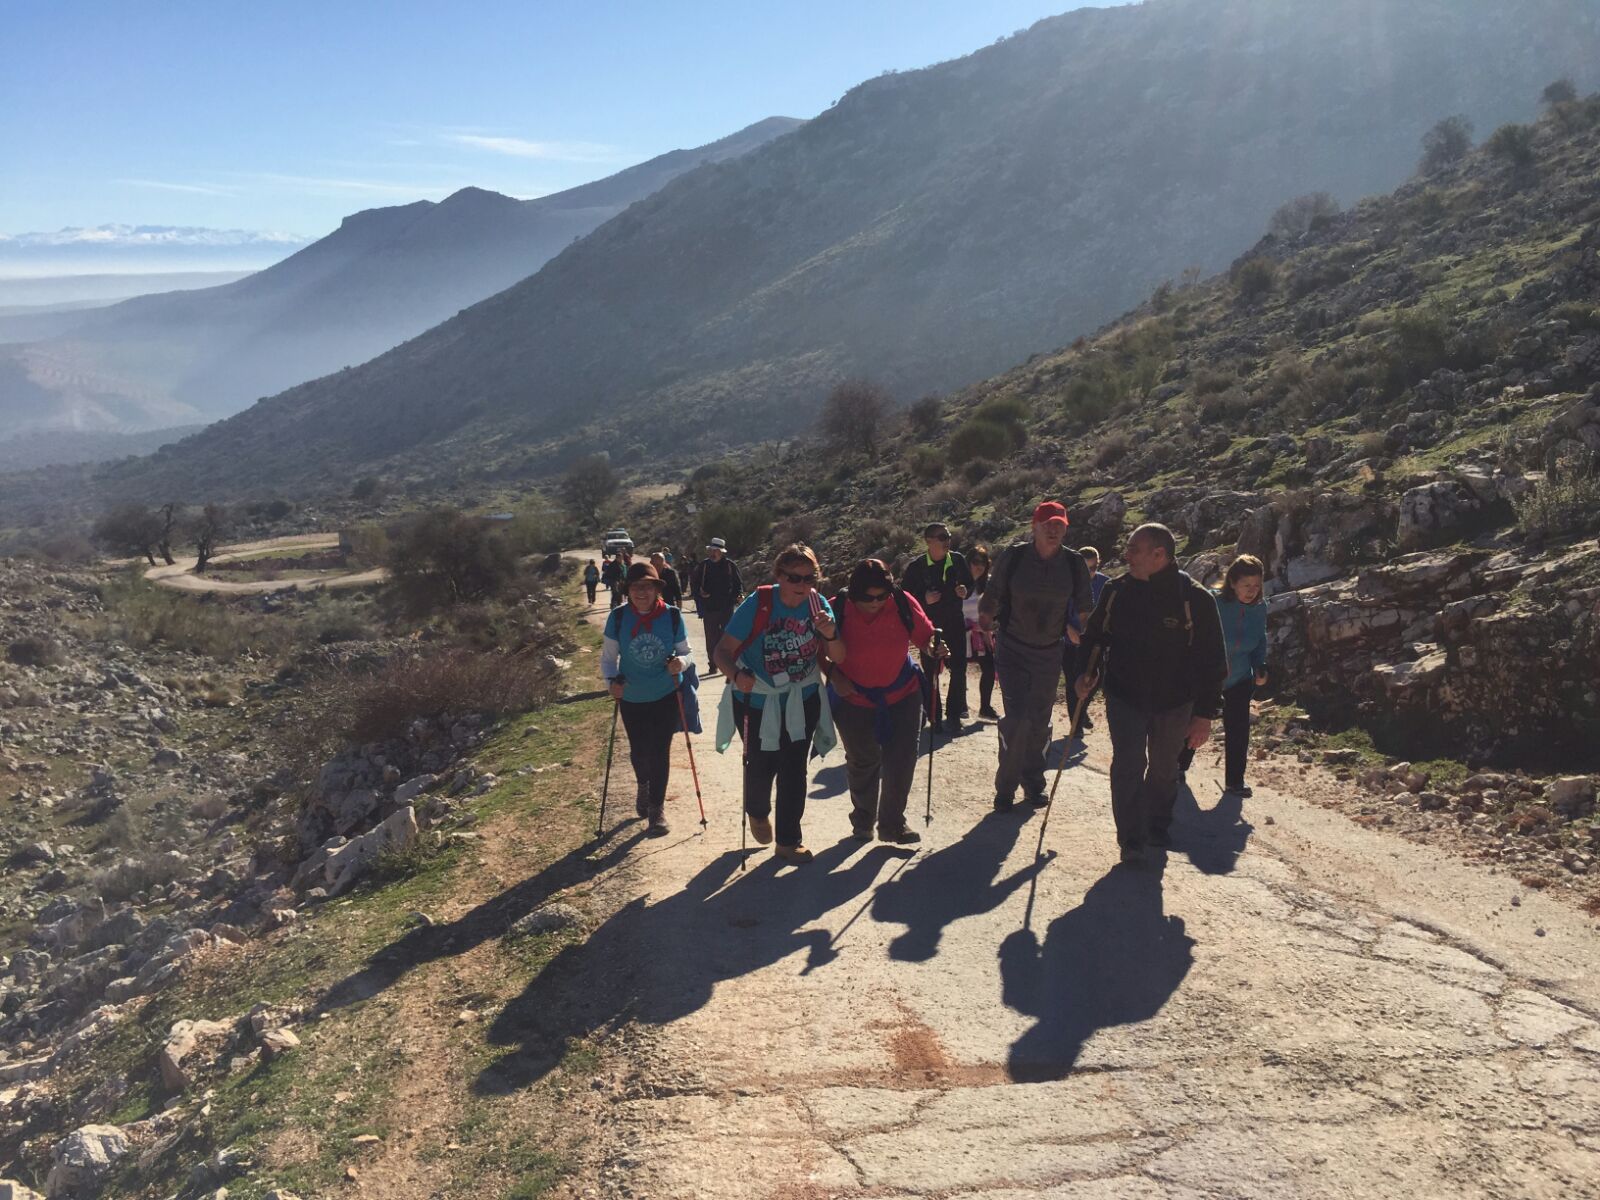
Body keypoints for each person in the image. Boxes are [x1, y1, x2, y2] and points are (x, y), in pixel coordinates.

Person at [1077, 524, 1228, 866]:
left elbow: (1214, 661)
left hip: (1175, 703)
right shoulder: (1117, 591)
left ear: (1159, 555)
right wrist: (1083, 674)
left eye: (1134, 549)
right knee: (1128, 764)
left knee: (1163, 768)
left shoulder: (1194, 599)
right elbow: (1096, 637)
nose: (1126, 555)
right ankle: (1131, 839)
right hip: (1124, 696)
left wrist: (1204, 715)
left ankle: (1156, 823)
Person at [714, 544, 840, 863]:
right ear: (779, 576)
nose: (802, 585)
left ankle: (788, 840)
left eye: (809, 578)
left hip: (802, 699)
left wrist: (830, 633)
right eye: (794, 577)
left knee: (793, 770)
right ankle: (757, 811)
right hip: (755, 701)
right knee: (760, 767)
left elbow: (838, 657)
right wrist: (735, 674)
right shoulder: (761, 603)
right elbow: (722, 651)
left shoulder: (818, 605)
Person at [978, 502, 1093, 812]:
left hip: (1049, 652)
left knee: (1039, 721)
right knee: (1017, 719)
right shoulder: (1014, 557)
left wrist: (1080, 629)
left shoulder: (1073, 564)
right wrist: (985, 620)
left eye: (1059, 524)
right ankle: (1005, 788)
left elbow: (1084, 606)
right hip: (1012, 647)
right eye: (1047, 524)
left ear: (1066, 528)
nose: (1054, 530)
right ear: (1034, 526)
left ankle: (1033, 785)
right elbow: (992, 593)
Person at [824, 558, 945, 845]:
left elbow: (925, 636)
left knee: (901, 760)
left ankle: (892, 824)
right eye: (868, 598)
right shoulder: (836, 608)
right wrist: (832, 674)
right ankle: (863, 820)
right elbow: (816, 647)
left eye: (882, 596)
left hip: (904, 692)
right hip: (853, 698)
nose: (876, 602)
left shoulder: (901, 602)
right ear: (854, 593)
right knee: (863, 761)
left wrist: (934, 647)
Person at [601, 562, 695, 836]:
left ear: (656, 589)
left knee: (659, 751)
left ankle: (657, 810)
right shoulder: (618, 618)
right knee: (639, 751)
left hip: (665, 694)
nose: (641, 592)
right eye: (635, 586)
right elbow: (608, 660)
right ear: (628, 590)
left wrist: (681, 663)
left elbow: (686, 652)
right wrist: (611, 684)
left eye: (647, 586)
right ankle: (643, 784)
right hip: (631, 696)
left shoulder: (673, 616)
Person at [1178, 554, 1268, 797]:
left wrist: (1260, 665)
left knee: (1238, 730)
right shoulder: (1214, 603)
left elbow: (1260, 640)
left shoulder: (1260, 608)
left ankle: (1235, 782)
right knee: (1196, 722)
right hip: (1207, 675)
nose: (1252, 591)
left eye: (1257, 585)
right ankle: (1179, 767)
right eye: (1246, 585)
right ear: (1232, 583)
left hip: (1239, 678)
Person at [901, 523, 970, 732]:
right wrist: (924, 599)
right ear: (929, 541)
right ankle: (935, 717)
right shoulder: (916, 567)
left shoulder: (958, 560)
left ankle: (954, 716)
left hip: (955, 624)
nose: (947, 540)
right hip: (929, 628)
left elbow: (970, 584)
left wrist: (965, 591)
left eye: (948, 536)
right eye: (942, 537)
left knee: (959, 670)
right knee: (931, 673)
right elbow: (905, 598)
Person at [1064, 546, 1111, 731]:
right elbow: (1058, 611)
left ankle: (1081, 712)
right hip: (1070, 641)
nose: (1089, 573)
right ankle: (1075, 725)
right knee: (1072, 681)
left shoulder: (1106, 584)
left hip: (1095, 643)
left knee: (1094, 681)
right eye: (1085, 569)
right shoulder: (1067, 584)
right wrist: (1069, 630)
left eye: (1092, 568)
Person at [963, 545, 999, 720]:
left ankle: (985, 707)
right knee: (958, 669)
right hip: (963, 633)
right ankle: (959, 705)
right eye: (976, 562)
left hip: (983, 633)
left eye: (983, 562)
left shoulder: (989, 584)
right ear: (968, 563)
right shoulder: (959, 583)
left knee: (989, 668)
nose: (979, 566)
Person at [694, 537, 744, 660]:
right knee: (711, 637)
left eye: (715, 551)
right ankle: (712, 663)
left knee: (727, 636)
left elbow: (738, 584)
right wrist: (700, 594)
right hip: (709, 608)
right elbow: (695, 584)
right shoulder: (704, 565)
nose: (713, 553)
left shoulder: (730, 565)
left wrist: (737, 596)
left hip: (727, 608)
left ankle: (728, 662)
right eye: (711, 550)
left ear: (721, 552)